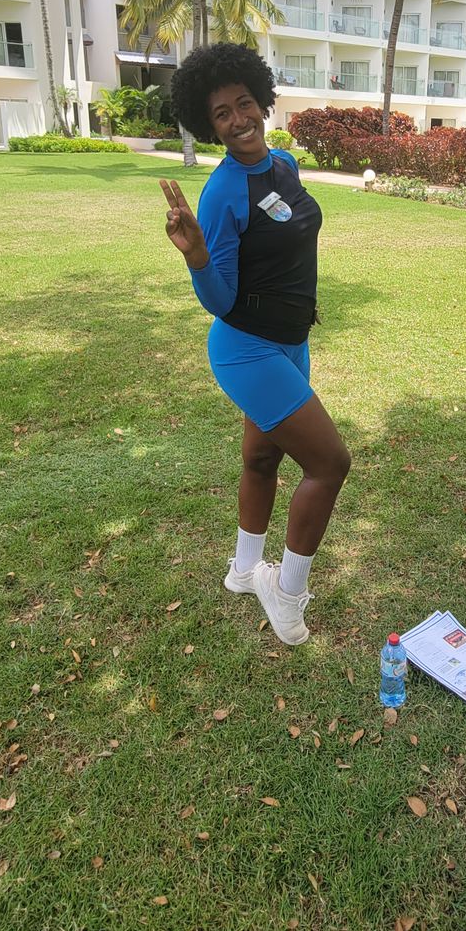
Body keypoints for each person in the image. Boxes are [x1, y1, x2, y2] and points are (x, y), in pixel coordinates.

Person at [159, 42, 350, 646]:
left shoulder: (284, 164)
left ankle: (244, 570)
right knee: (329, 464)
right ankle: (286, 595)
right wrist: (196, 255)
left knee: (262, 459)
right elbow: (220, 299)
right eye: (222, 113)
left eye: (244, 103)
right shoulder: (221, 193)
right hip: (246, 349)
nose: (238, 119)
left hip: (290, 343)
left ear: (261, 100)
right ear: (208, 124)